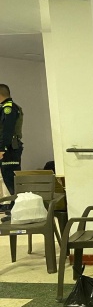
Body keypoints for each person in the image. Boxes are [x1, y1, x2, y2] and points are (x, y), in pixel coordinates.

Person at [0, 84, 24, 217]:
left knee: (11, 178)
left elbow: (7, 131)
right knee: (8, 177)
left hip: (9, 149)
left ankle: (18, 208)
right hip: (9, 148)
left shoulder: (8, 109)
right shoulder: (7, 107)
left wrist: (1, 148)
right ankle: (14, 207)